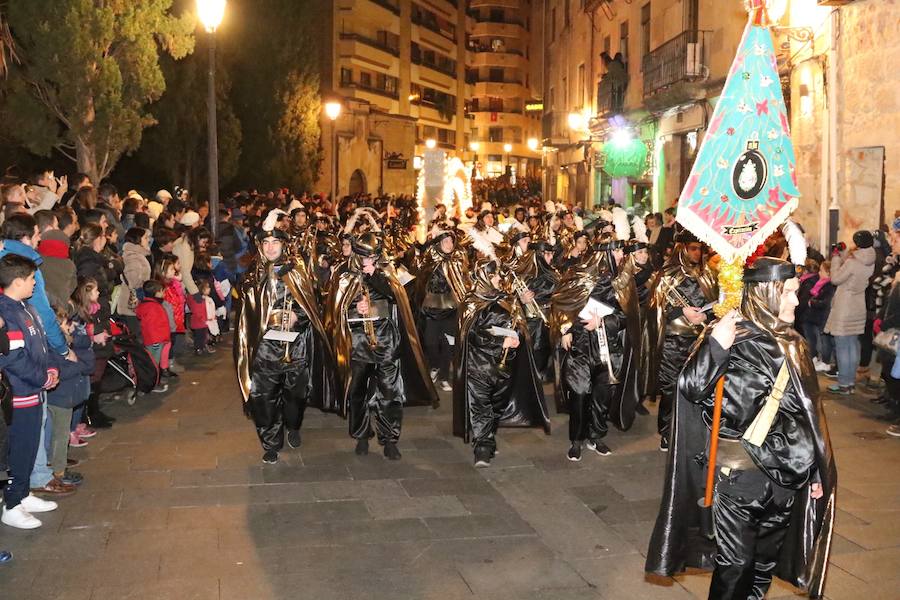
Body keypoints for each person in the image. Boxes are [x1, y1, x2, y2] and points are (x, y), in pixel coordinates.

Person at [646, 257, 837, 600]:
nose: (797, 299)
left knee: (764, 563)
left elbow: (806, 414)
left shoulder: (794, 343)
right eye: (789, 292)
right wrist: (716, 347)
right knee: (735, 567)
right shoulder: (730, 336)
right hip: (738, 479)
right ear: (767, 292)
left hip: (785, 477)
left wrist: (815, 471)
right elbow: (689, 388)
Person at [326, 232, 438, 460]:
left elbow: (398, 297)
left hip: (386, 342)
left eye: (372, 257)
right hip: (357, 343)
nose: (367, 261)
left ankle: (389, 439)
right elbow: (335, 310)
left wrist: (375, 276)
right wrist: (355, 308)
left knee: (390, 392)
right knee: (358, 391)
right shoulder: (345, 275)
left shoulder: (386, 272)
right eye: (363, 257)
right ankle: (361, 435)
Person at [234, 228, 336, 464]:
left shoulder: (297, 272)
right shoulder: (252, 274)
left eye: (275, 242)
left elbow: (313, 305)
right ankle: (270, 442)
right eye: (266, 242)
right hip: (264, 349)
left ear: (283, 244)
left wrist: (297, 318)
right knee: (263, 397)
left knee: (296, 395)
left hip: (295, 348)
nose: (270, 247)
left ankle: (293, 425)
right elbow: (245, 314)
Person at [452, 259, 550, 467]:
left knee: (497, 404)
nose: (499, 279)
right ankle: (483, 447)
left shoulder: (505, 298)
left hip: (504, 366)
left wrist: (521, 307)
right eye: (495, 276)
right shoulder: (471, 302)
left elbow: (517, 322)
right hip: (478, 365)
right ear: (485, 278)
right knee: (480, 406)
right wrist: (499, 341)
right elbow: (470, 334)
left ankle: (488, 434)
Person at [0, 255, 62, 529]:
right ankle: (11, 503)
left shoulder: (26, 308)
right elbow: (12, 358)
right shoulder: (7, 313)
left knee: (29, 446)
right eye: (31, 279)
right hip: (19, 393)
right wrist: (41, 377)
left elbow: (41, 345)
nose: (35, 284)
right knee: (19, 449)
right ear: (16, 281)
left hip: (35, 389)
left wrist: (51, 369)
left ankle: (23, 493)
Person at [647, 231, 718, 451]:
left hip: (699, 339)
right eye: (693, 248)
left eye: (700, 248)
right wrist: (681, 310)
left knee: (697, 388)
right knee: (670, 388)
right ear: (683, 248)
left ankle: (691, 431)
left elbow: (719, 303)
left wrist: (706, 315)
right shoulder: (668, 274)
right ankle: (667, 432)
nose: (697, 253)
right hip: (673, 339)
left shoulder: (708, 274)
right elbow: (653, 305)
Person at [415, 226, 469, 392]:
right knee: (431, 342)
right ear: (439, 243)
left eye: (451, 241)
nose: (449, 244)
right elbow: (421, 277)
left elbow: (463, 282)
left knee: (449, 344)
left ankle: (445, 377)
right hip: (432, 307)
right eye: (445, 241)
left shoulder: (457, 260)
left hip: (451, 308)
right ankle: (434, 366)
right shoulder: (430, 259)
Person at [823, 231, 876, 395]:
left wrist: (837, 259)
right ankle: (851, 382)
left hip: (844, 307)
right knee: (853, 345)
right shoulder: (869, 260)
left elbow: (835, 279)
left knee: (842, 347)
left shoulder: (852, 262)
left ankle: (844, 384)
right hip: (858, 306)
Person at [135, 280, 171, 393]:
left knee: (155, 362)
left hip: (157, 339)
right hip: (155, 340)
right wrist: (157, 340)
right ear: (156, 293)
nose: (164, 294)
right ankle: (153, 384)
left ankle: (155, 381)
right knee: (154, 364)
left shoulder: (149, 305)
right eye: (162, 292)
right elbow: (152, 327)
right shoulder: (152, 307)